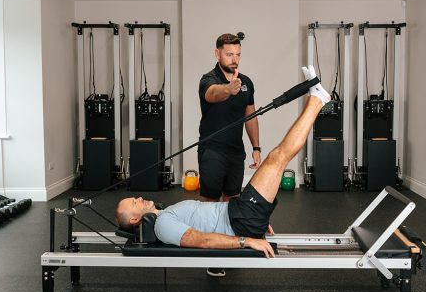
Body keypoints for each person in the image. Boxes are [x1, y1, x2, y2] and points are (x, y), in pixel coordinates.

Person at [115, 66, 332, 258]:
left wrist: (253, 218)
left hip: (239, 213)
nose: (140, 198)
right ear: (135, 220)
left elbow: (210, 216)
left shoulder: (164, 215)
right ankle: (317, 100)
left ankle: (316, 98)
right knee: (278, 157)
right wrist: (247, 240)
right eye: (135, 203)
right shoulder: (163, 225)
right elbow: (201, 240)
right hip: (240, 221)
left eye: (135, 197)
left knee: (277, 156)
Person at [197, 33, 261, 203]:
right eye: (229, 54)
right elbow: (212, 94)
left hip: (236, 153)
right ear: (217, 54)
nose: (234, 59)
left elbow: (251, 116)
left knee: (232, 201)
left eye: (238, 54)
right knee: (209, 202)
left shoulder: (246, 82)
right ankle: (208, 231)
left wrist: (256, 147)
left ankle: (227, 231)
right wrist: (229, 89)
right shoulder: (208, 79)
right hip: (212, 151)